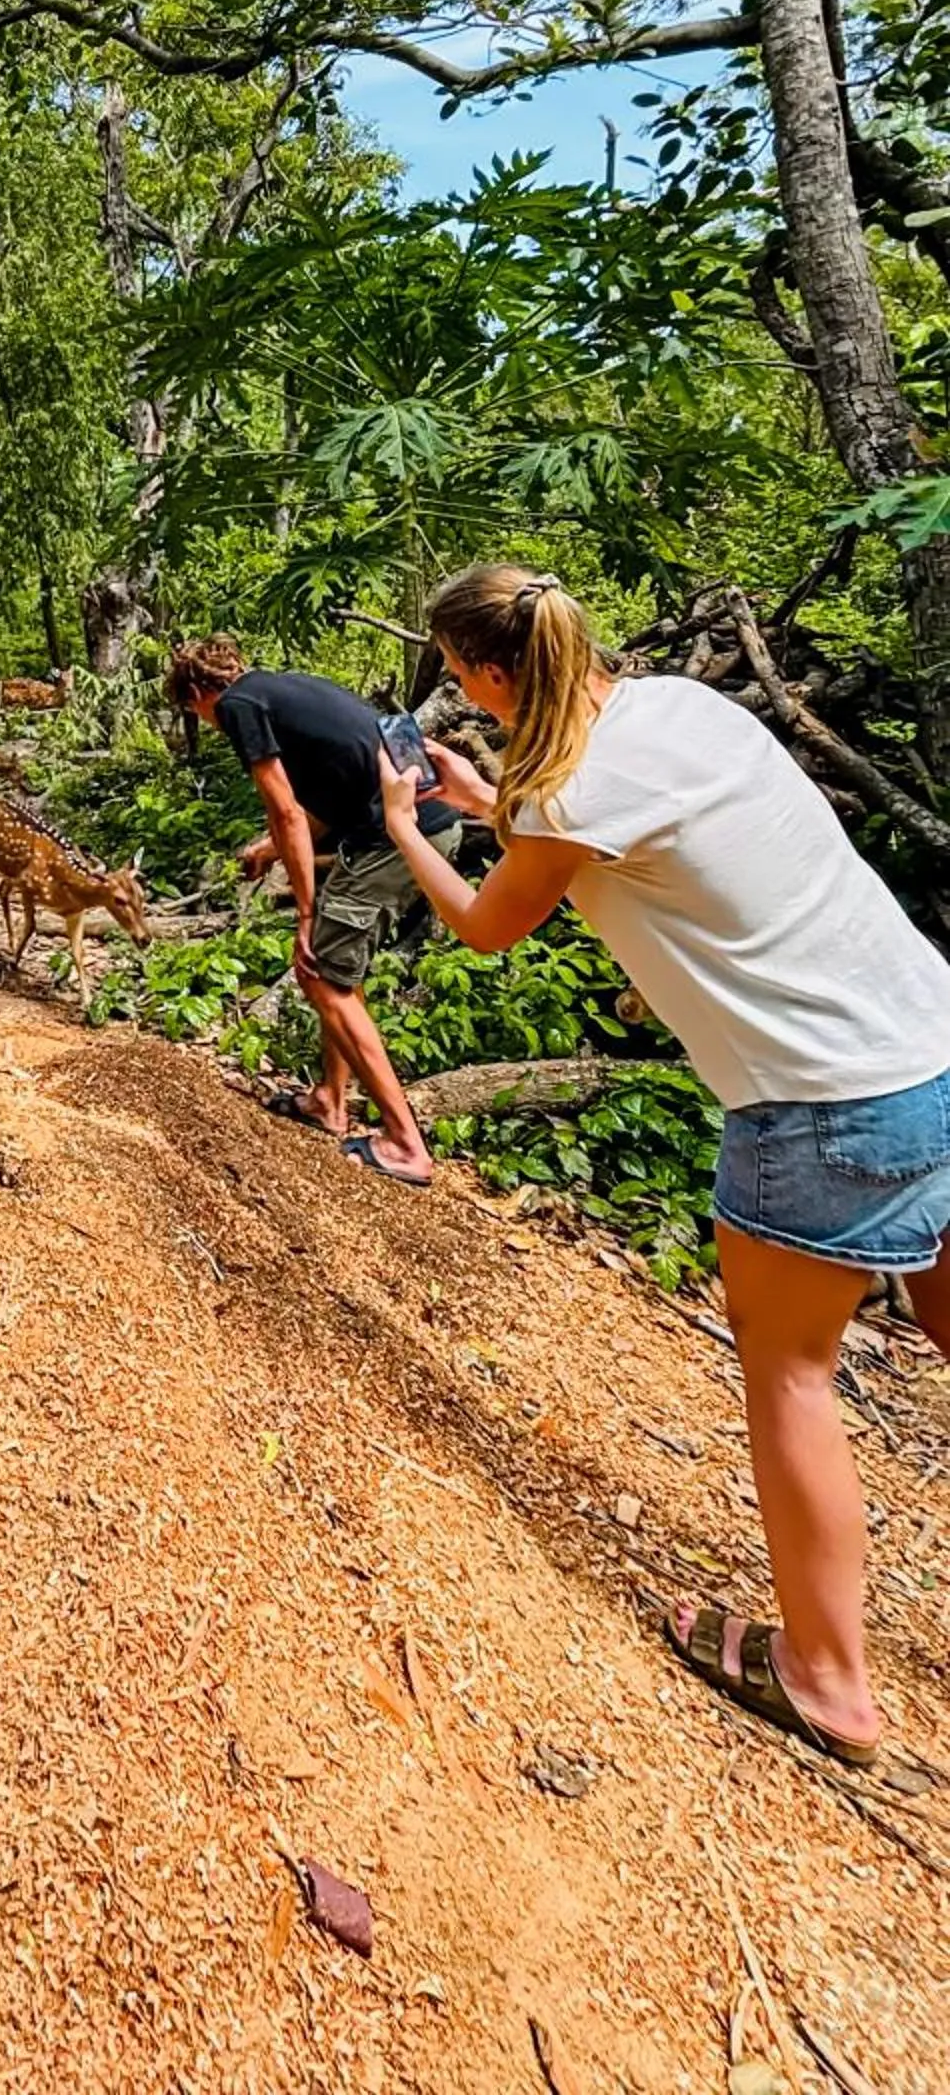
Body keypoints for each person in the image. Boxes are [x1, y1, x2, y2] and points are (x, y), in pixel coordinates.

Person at [376, 563, 950, 1770]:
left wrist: (404, 828)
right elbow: (609, 819)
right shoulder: (687, 711)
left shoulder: (570, 793)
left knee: (792, 1372)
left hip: (820, 1105)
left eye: (465, 684)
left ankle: (831, 1680)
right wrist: (493, 808)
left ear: (487, 675)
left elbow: (488, 923)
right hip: (932, 1046)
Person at [180, 635, 461, 1186]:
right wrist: (267, 849)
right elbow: (329, 792)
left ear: (198, 693)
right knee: (335, 971)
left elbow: (285, 809)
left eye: (195, 713)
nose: (206, 722)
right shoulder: (283, 688)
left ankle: (406, 1143)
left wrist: (306, 913)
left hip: (397, 836)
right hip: (419, 823)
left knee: (322, 975)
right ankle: (331, 1099)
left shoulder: (239, 707)